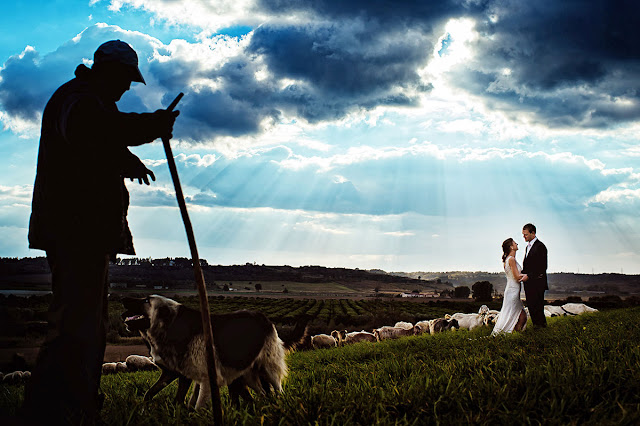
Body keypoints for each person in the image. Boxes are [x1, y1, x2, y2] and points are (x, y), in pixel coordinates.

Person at [21, 40, 179, 425]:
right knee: (76, 323)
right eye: (126, 79)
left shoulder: (85, 100)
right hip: (77, 230)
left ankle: (71, 404)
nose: (127, 88)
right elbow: (94, 131)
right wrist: (151, 124)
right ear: (107, 70)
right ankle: (62, 407)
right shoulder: (79, 99)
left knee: (84, 322)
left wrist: (127, 160)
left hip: (80, 230)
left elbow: (95, 147)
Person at [492, 238, 528, 335]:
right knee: (519, 316)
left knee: (520, 316)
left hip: (512, 290)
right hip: (513, 291)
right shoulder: (511, 259)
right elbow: (516, 277)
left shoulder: (510, 259)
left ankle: (514, 334)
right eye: (515, 243)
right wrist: (529, 276)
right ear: (511, 247)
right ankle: (512, 334)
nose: (517, 244)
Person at [521, 223, 548, 328]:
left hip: (538, 282)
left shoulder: (540, 247)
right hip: (529, 283)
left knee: (537, 307)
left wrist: (529, 276)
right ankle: (537, 327)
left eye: (526, 234)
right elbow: (528, 266)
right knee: (531, 307)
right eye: (523, 234)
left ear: (533, 233)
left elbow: (542, 267)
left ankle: (541, 328)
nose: (524, 236)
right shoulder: (527, 247)